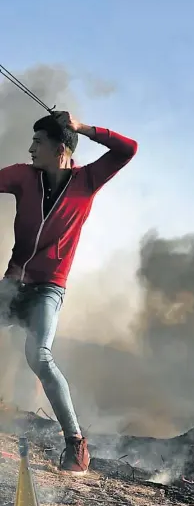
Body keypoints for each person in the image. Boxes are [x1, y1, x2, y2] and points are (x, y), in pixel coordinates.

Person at [0, 112, 138, 474]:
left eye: (37, 143)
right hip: (13, 284)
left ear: (60, 148)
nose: (30, 149)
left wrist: (83, 128)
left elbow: (128, 149)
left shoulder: (87, 180)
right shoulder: (22, 176)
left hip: (49, 288)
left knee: (40, 357)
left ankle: (76, 445)